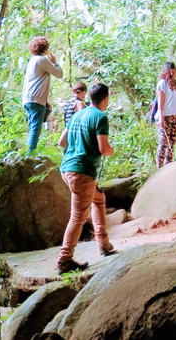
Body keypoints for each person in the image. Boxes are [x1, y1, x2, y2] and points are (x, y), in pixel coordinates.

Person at [57, 82, 115, 274]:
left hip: (66, 169)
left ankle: (103, 242)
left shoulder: (77, 115)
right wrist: (111, 151)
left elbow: (62, 141)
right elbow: (103, 149)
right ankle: (64, 259)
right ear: (105, 99)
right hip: (82, 171)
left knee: (98, 199)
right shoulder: (100, 117)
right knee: (78, 216)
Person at [22, 36, 63, 152]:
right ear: (45, 48)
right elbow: (59, 74)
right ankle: (29, 155)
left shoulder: (32, 60)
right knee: (35, 129)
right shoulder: (42, 60)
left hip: (28, 99)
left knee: (32, 127)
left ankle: (27, 152)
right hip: (36, 100)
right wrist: (54, 63)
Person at [154, 62, 176, 167]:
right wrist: (161, 117)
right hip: (165, 116)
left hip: (175, 116)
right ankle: (159, 167)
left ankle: (168, 166)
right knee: (163, 143)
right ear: (172, 70)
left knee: (172, 143)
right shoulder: (162, 83)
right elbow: (161, 101)